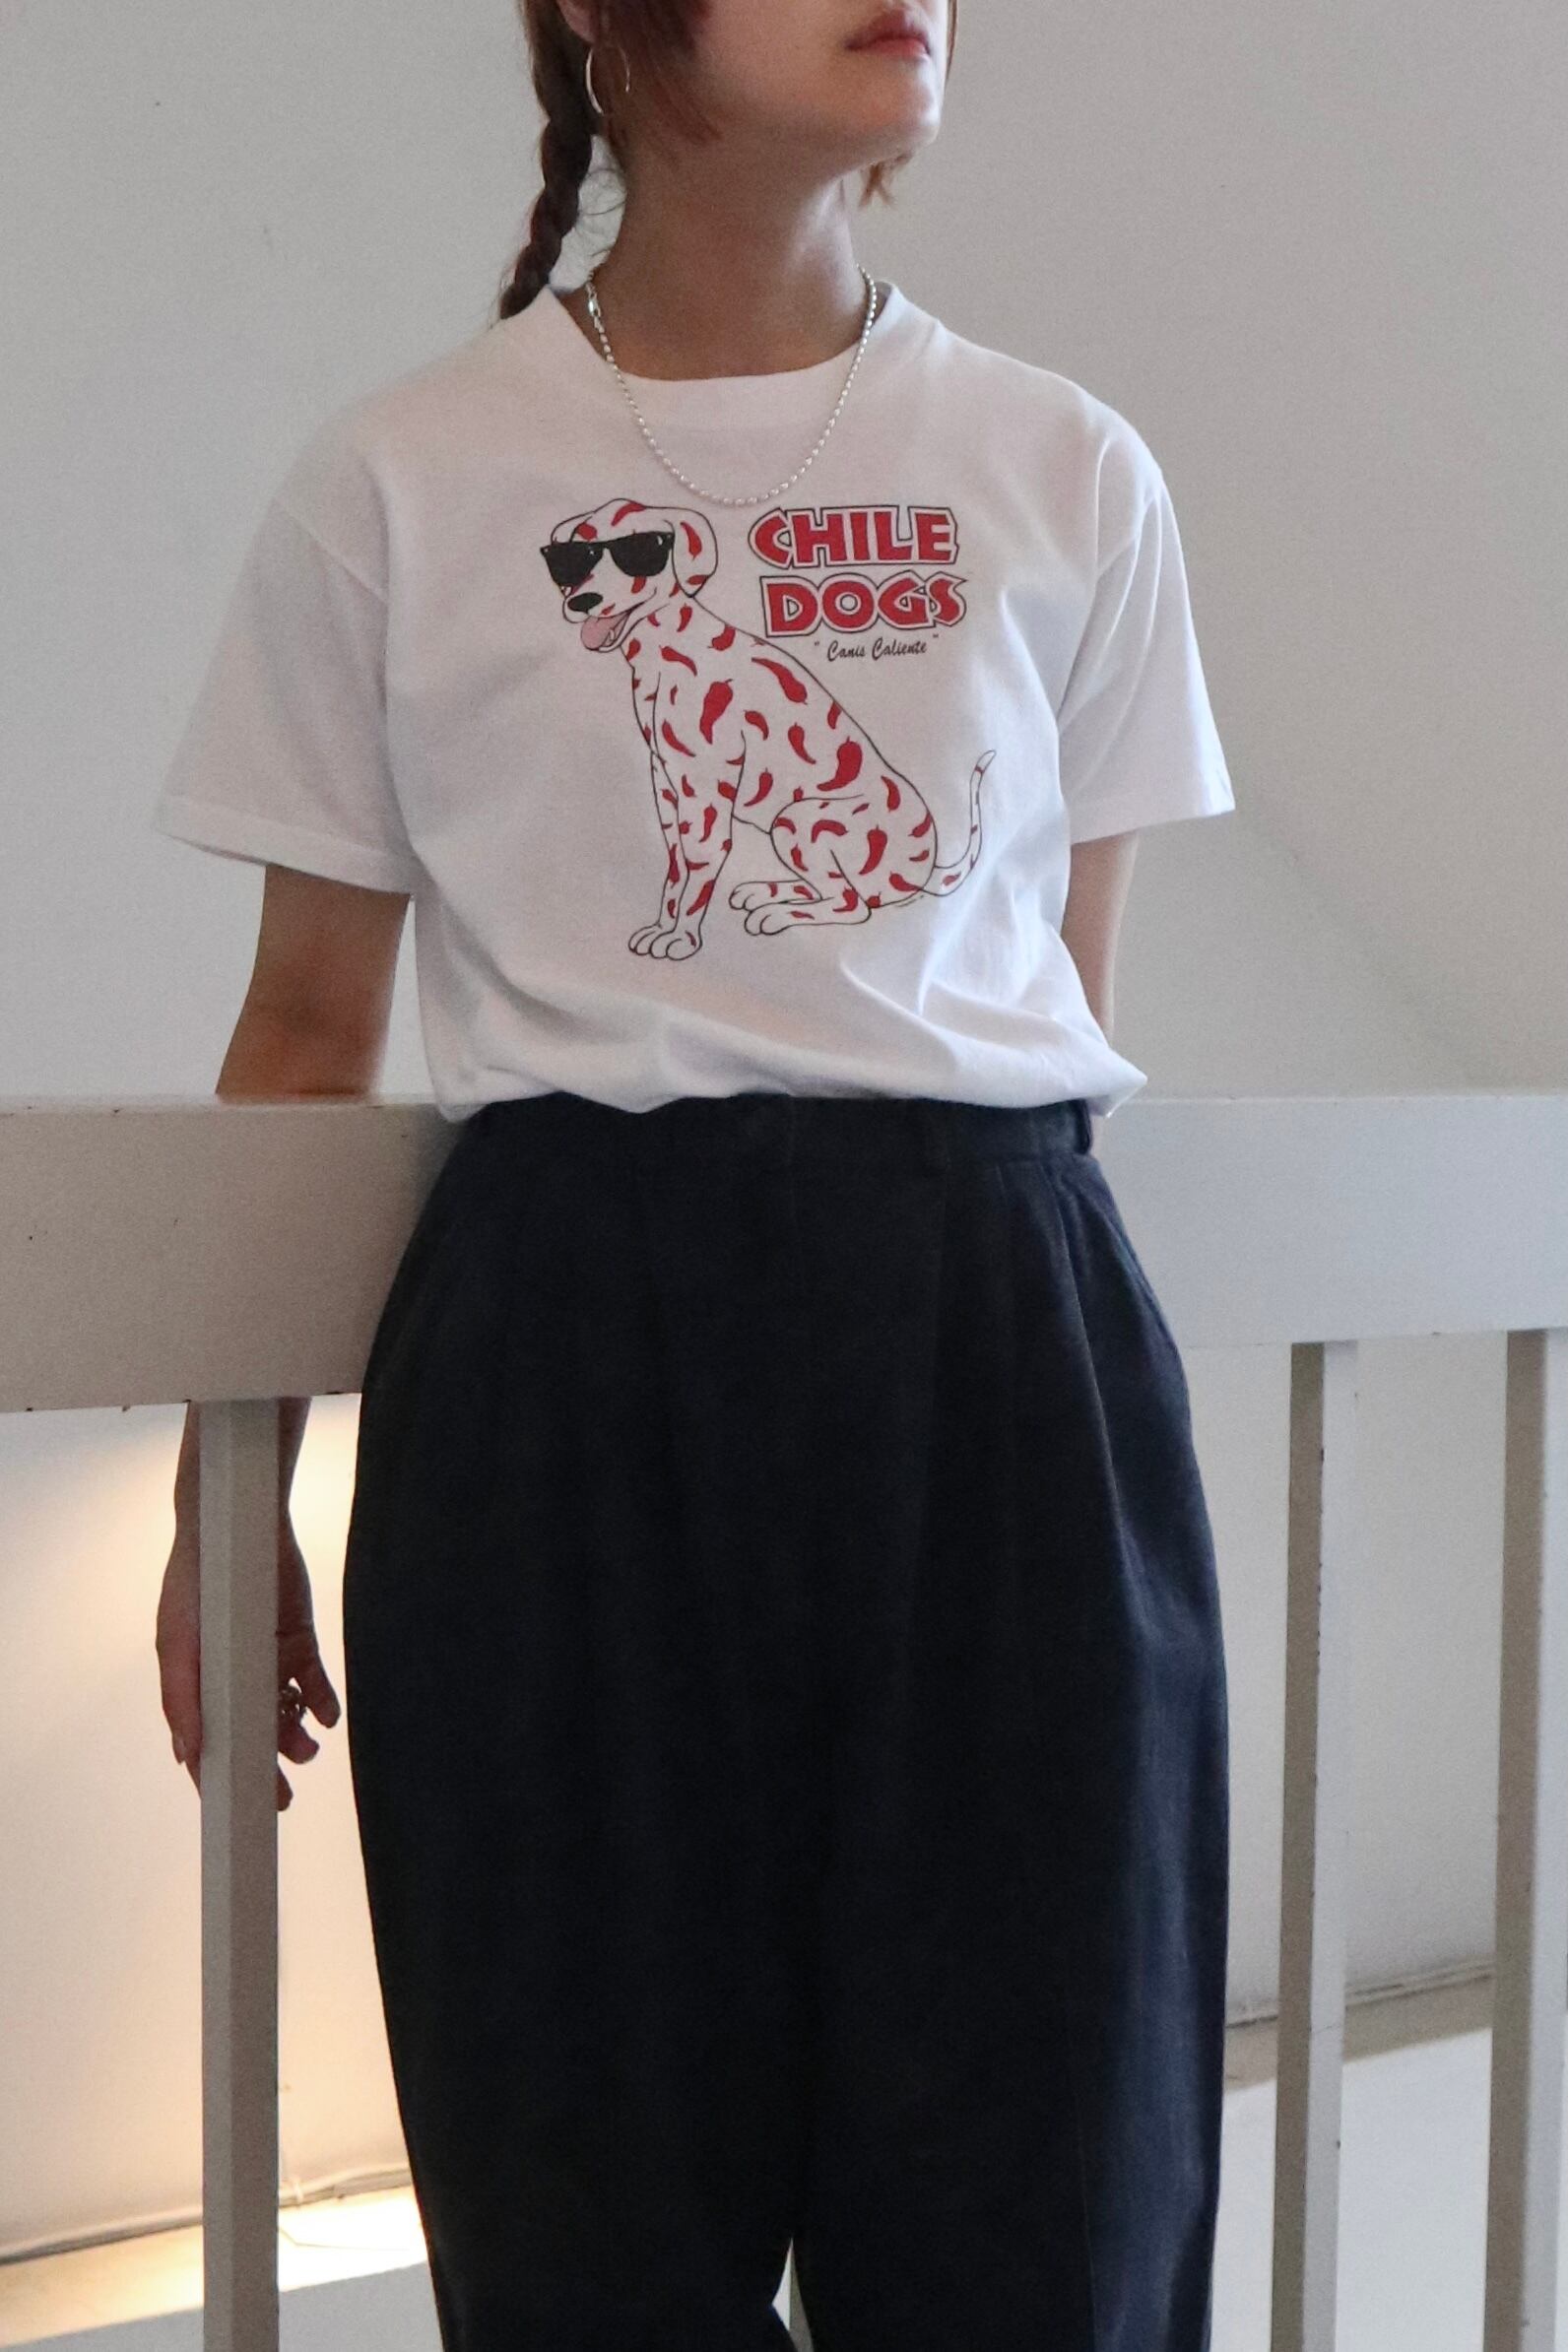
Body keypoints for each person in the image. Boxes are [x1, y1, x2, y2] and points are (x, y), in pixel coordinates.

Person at [152, 1, 1236, 2345]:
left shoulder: (1063, 463)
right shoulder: (404, 480)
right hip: (565, 1362)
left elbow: (1050, 1003)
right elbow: (311, 1029)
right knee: (582, 2215)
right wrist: (223, 1493)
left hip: (994, 1341)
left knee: (1052, 2192)